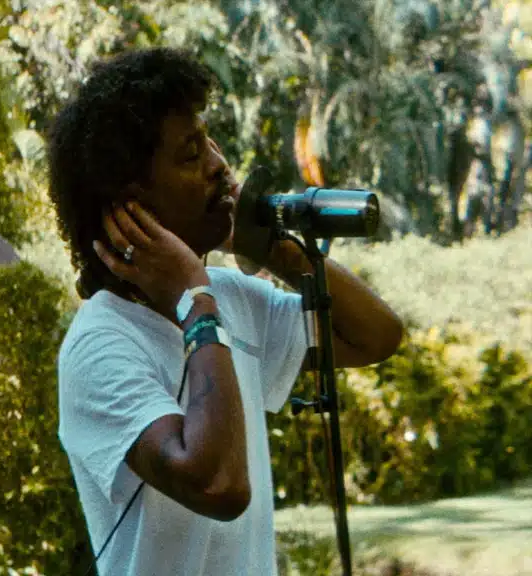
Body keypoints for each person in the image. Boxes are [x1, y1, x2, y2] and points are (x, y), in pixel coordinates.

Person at [49, 47, 404, 575]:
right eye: (191, 154)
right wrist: (195, 299)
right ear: (131, 207)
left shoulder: (230, 297)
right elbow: (218, 485)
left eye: (210, 143)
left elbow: (376, 335)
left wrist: (274, 248)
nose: (219, 166)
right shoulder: (100, 345)